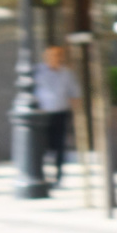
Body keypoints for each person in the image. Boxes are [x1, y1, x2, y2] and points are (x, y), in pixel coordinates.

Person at [33, 45, 82, 186]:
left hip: (61, 112)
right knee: (42, 144)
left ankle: (58, 175)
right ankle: (41, 173)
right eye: (52, 55)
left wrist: (76, 114)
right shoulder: (38, 72)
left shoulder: (67, 73)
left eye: (58, 56)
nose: (55, 58)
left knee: (59, 145)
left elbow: (75, 94)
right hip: (42, 114)